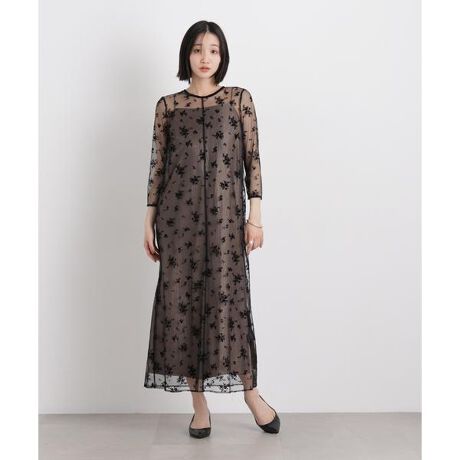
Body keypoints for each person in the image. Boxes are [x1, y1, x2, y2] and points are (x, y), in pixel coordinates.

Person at [143, 20, 280, 438]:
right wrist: (148, 220)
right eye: (198, 49)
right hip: (177, 223)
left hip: (225, 224)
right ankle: (198, 405)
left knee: (231, 306)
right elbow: (157, 166)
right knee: (181, 307)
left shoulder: (239, 100)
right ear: (187, 54)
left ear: (223, 56)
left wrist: (255, 216)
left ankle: (251, 395)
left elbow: (252, 160)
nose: (205, 57)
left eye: (214, 50)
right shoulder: (168, 107)